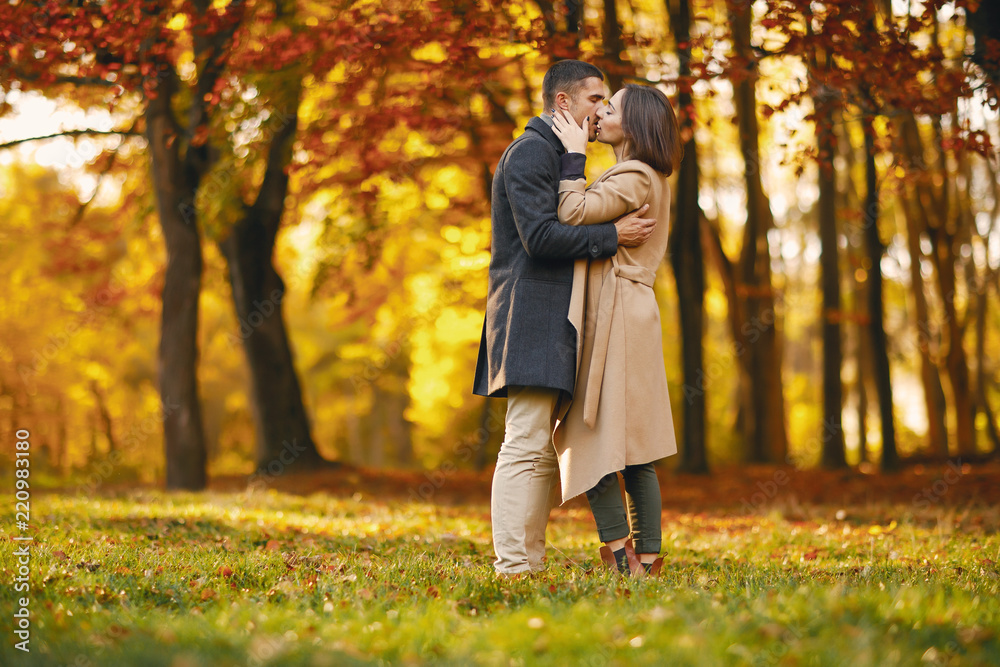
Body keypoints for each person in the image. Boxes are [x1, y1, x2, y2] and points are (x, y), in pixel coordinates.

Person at [473, 61, 657, 577]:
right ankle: (513, 566)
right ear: (564, 104)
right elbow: (542, 239)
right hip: (531, 312)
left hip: (558, 318)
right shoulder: (533, 152)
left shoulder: (560, 156)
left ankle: (527, 563)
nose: (602, 110)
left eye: (606, 101)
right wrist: (613, 236)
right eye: (596, 99)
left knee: (539, 450)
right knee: (525, 442)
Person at [549, 84, 683, 576]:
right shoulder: (645, 176)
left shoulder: (634, 175)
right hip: (627, 310)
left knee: (597, 436)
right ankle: (643, 557)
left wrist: (572, 158)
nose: (602, 113)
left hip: (619, 313)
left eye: (613, 107)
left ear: (638, 123)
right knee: (630, 445)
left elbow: (570, 213)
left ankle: (628, 555)